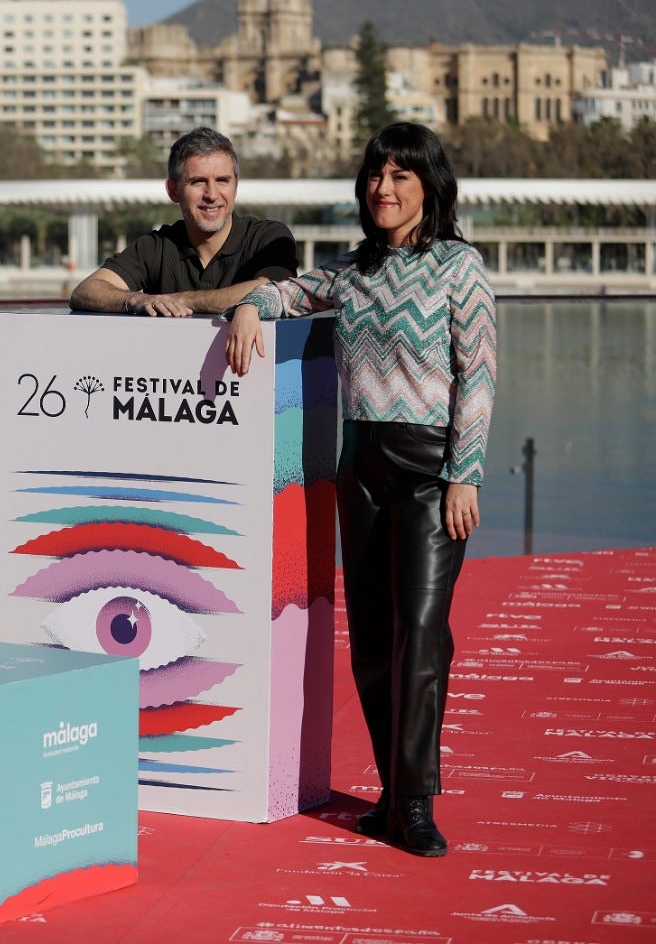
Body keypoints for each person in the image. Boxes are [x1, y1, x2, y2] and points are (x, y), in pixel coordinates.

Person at [225, 123, 497, 857]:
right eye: (376, 174)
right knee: (373, 646)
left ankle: (416, 805)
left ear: (430, 187)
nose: (384, 187)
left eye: (401, 176)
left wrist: (464, 473)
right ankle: (388, 792)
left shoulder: (459, 267)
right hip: (361, 471)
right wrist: (250, 306)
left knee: (420, 638)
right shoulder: (350, 272)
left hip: (429, 471)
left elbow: (478, 376)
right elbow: (286, 292)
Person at [69, 126, 298, 316]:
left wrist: (178, 300)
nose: (212, 194)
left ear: (236, 186)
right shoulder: (157, 246)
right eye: (198, 182)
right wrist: (136, 299)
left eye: (222, 180)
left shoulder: (269, 237)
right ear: (173, 190)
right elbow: (86, 290)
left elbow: (276, 290)